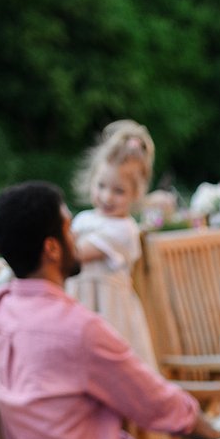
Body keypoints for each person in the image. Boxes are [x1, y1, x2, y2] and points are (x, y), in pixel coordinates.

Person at [0, 181, 220, 439]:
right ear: (52, 247)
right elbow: (158, 405)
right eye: (68, 227)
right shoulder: (75, 329)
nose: (77, 235)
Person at [67, 120, 160, 372]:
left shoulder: (124, 230)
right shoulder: (84, 219)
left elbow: (75, 255)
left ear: (136, 194)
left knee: (115, 371)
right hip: (79, 306)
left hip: (110, 314)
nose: (107, 197)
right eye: (101, 186)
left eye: (118, 191)